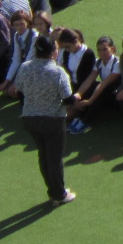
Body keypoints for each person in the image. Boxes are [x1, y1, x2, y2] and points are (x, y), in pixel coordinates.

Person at [14, 34, 77, 205]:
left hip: (30, 119)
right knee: (54, 158)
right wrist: (76, 99)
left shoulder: (25, 67)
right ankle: (59, 194)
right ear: (53, 51)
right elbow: (67, 99)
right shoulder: (58, 72)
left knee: (43, 155)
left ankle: (53, 191)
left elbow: (19, 91)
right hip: (53, 120)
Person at [68, 35, 120, 133]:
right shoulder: (98, 62)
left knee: (102, 89)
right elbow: (89, 80)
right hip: (104, 89)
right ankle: (79, 117)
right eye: (99, 50)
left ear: (112, 49)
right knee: (91, 86)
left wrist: (90, 101)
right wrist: (78, 94)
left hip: (116, 94)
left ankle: (86, 121)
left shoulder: (117, 63)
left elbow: (104, 84)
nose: (101, 53)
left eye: (105, 49)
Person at [1, 10, 41, 100]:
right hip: (24, 64)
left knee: (12, 92)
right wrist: (7, 81)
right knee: (7, 90)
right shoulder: (16, 36)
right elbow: (16, 60)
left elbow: (29, 58)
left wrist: (17, 81)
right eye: (16, 25)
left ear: (27, 23)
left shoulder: (34, 35)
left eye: (22, 24)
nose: (19, 27)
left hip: (34, 65)